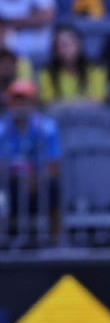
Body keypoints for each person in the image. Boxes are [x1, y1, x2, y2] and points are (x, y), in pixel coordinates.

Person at [0, 77, 61, 244]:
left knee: (54, 188)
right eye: (16, 100)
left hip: (38, 184)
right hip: (9, 184)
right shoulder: (1, 129)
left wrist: (36, 178)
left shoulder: (48, 127)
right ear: (9, 103)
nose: (21, 106)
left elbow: (53, 165)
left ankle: (55, 244)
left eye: (25, 100)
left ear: (34, 102)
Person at [38, 22, 108, 105]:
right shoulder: (46, 74)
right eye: (62, 45)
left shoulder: (96, 71)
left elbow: (98, 101)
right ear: (55, 50)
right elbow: (49, 103)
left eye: (71, 44)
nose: (67, 49)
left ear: (80, 45)